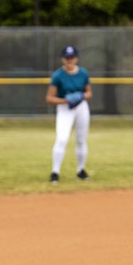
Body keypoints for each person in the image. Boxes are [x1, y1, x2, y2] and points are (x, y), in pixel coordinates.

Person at [45, 45, 92, 184]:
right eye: (67, 58)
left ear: (76, 58)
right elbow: (49, 98)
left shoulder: (83, 73)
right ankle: (55, 172)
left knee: (81, 139)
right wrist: (66, 100)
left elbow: (89, 92)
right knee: (62, 139)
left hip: (81, 107)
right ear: (63, 59)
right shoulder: (58, 75)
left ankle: (81, 170)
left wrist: (81, 96)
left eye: (72, 57)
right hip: (65, 108)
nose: (69, 60)